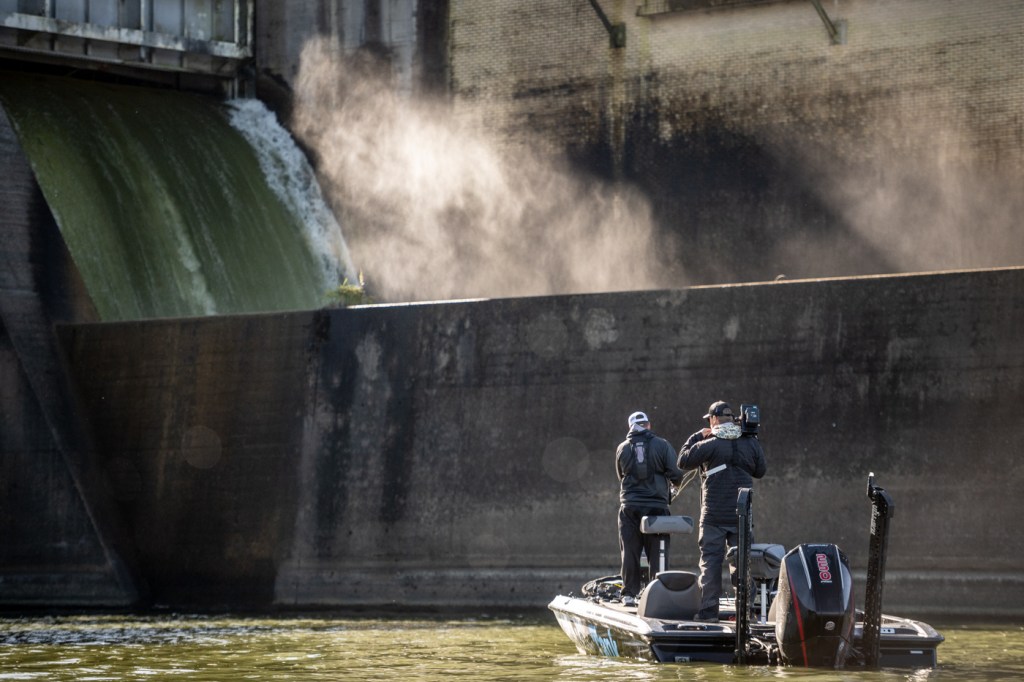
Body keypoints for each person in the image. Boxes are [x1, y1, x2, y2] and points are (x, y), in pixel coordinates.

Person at [678, 401, 767, 622]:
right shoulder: (750, 443)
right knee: (743, 564)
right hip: (741, 515)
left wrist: (697, 436)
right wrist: (752, 443)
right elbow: (760, 471)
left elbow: (683, 461)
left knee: (711, 563)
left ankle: (708, 613)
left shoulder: (710, 443)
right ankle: (746, 614)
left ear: (714, 419)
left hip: (713, 515)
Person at [615, 410, 685, 607]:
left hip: (629, 508)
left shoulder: (622, 448)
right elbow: (676, 474)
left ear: (630, 427)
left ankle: (629, 595)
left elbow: (620, 475)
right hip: (657, 509)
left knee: (630, 551)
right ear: (648, 425)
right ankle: (658, 594)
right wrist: (672, 485)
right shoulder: (662, 445)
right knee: (658, 553)